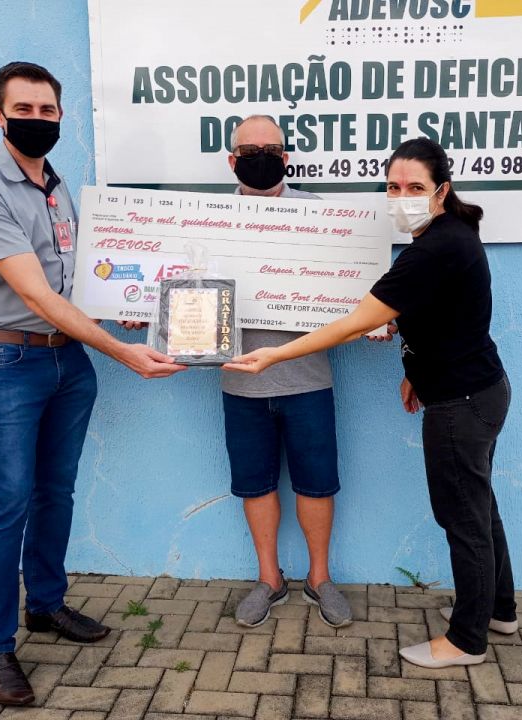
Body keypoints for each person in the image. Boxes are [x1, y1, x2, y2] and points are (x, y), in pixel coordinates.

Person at [224, 137, 517, 668]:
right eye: (393, 186)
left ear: (441, 191)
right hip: (475, 389)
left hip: (462, 404)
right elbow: (443, 319)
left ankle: (467, 640)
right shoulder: (445, 236)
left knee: (463, 518)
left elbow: (356, 322)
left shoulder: (436, 246)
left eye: (415, 187)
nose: (401, 196)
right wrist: (416, 372)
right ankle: (498, 608)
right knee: (481, 508)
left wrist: (273, 356)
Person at [0, 61, 185, 706]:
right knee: (8, 503)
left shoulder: (56, 188)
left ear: (61, 116)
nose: (36, 121)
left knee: (55, 492)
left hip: (67, 361)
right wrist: (122, 351)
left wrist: (127, 303)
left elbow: (73, 281)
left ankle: (46, 605)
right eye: (22, 110)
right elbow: (32, 291)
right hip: (7, 363)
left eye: (47, 111)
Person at [222, 115, 352, 629]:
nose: (260, 155)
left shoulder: (317, 216)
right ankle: (269, 578)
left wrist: (376, 322)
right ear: (232, 160)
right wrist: (144, 307)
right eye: (248, 149)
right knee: (254, 483)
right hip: (239, 379)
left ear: (286, 157)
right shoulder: (205, 217)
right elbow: (178, 286)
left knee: (316, 484)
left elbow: (352, 290)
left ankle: (320, 579)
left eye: (270, 148)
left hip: (308, 379)